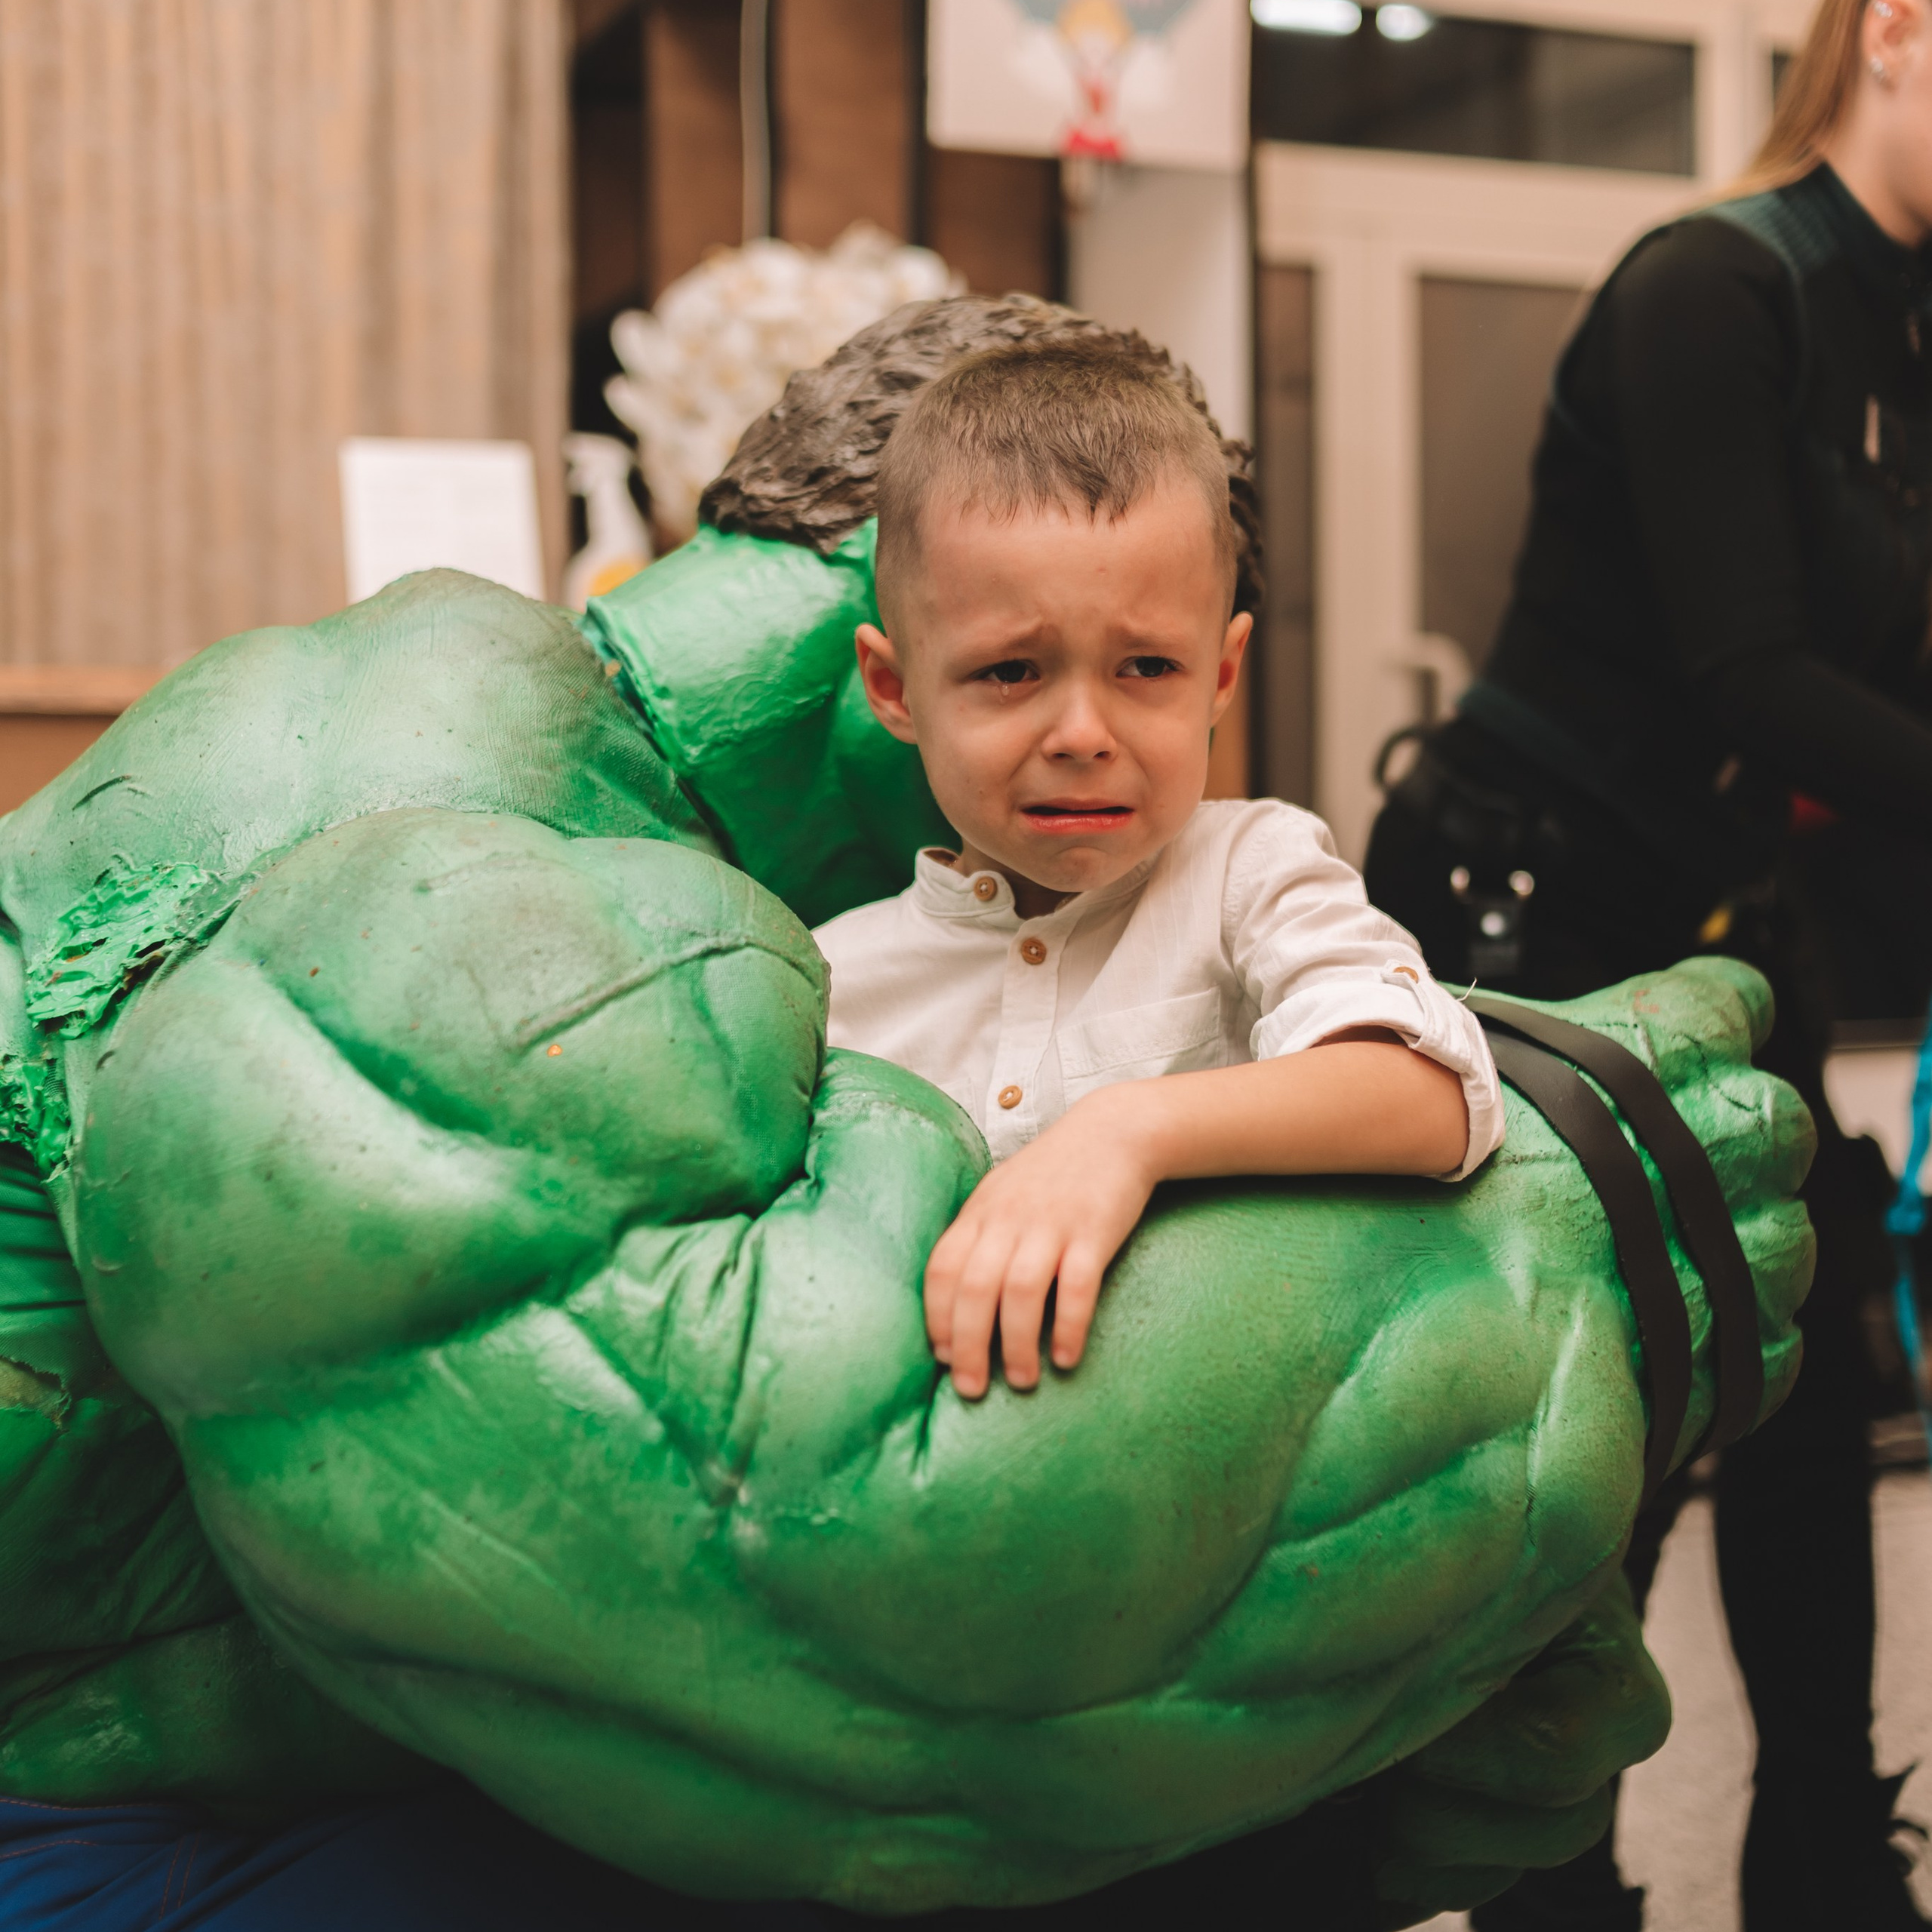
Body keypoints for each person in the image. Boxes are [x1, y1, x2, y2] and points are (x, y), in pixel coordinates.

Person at [1364, 0, 1932, 1924]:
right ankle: (1553, 1889)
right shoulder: (1713, 284)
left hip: (1717, 911)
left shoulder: (1905, 318)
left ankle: (1828, 1861)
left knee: (1802, 1394)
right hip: (1529, 907)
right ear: (1893, 31)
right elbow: (1752, 674)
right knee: (1595, 1444)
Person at [812, 339, 1503, 1400]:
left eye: (1146, 667)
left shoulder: (1246, 873)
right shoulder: (824, 984)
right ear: (894, 687)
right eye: (1010, 670)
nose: (1085, 730)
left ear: (1220, 674)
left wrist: (1126, 1132)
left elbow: (1432, 1095)